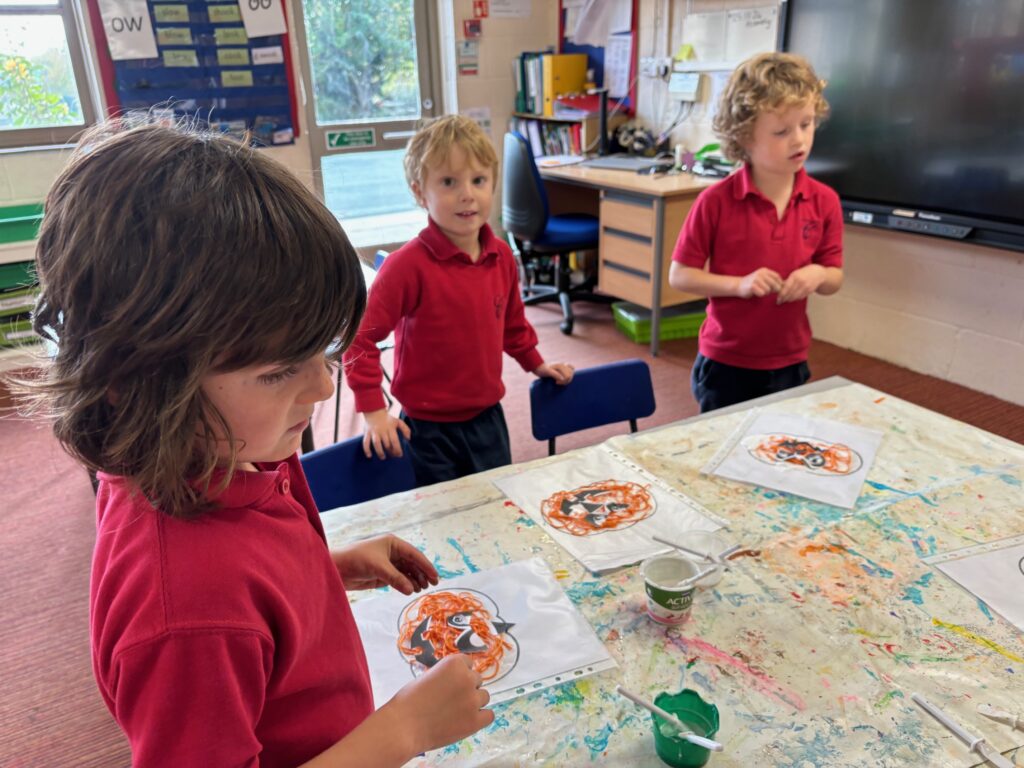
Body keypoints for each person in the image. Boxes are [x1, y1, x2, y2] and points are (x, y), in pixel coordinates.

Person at [15, 121, 492, 767]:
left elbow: (253, 574)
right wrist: (404, 731)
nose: (324, 388)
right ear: (138, 377)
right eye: (276, 371)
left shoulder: (230, 446)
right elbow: (217, 602)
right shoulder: (189, 616)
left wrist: (330, 566)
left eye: (322, 353)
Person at [343, 115, 574, 486]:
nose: (467, 194)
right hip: (427, 427)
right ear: (420, 193)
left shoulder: (500, 256)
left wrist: (536, 364)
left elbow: (513, 325)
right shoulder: (407, 266)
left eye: (478, 181)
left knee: (494, 506)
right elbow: (360, 337)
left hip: (488, 418)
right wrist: (372, 410)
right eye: (449, 182)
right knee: (440, 517)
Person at [669, 52, 844, 412]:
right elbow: (680, 276)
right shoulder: (715, 201)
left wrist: (817, 274)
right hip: (726, 360)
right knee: (721, 454)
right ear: (744, 138)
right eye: (781, 131)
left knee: (778, 451)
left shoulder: (824, 201)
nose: (799, 140)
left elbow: (834, 277)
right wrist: (740, 285)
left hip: (789, 359)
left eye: (807, 124)